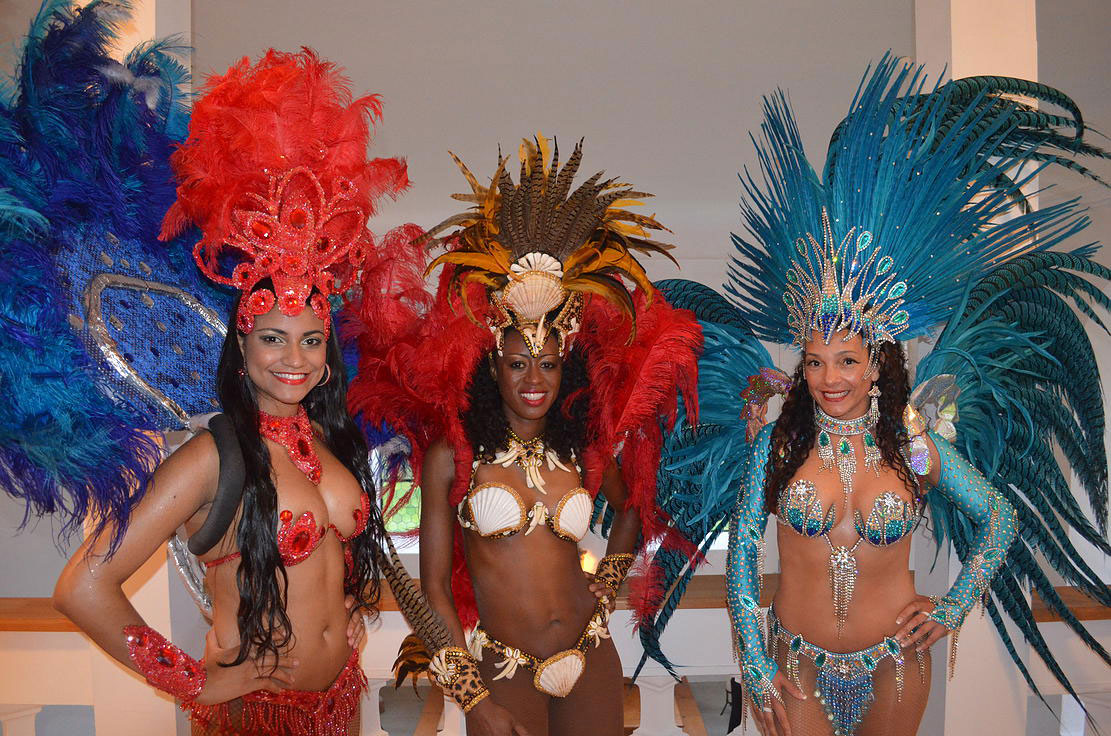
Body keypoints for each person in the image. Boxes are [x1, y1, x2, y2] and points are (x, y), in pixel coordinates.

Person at [636, 54, 1111, 736]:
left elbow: (999, 517)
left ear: (874, 365)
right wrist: (755, 662)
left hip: (896, 663)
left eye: (847, 361)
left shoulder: (915, 447)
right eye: (815, 361)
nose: (830, 377)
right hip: (795, 663)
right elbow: (742, 556)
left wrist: (952, 606)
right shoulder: (781, 443)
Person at [52, 48, 413, 736]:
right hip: (255, 715)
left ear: (328, 356)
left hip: (342, 703)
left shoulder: (332, 442)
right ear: (241, 348)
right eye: (273, 337)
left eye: (311, 340)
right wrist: (196, 682)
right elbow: (82, 587)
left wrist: (350, 630)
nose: (294, 359)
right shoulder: (210, 457)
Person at [345, 136, 702, 735]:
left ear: (567, 368)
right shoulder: (452, 456)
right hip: (503, 672)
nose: (534, 380)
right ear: (492, 367)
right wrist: (473, 700)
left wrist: (606, 587)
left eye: (549, 364)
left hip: (590, 655)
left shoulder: (582, 447)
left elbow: (631, 508)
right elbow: (433, 590)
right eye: (517, 363)